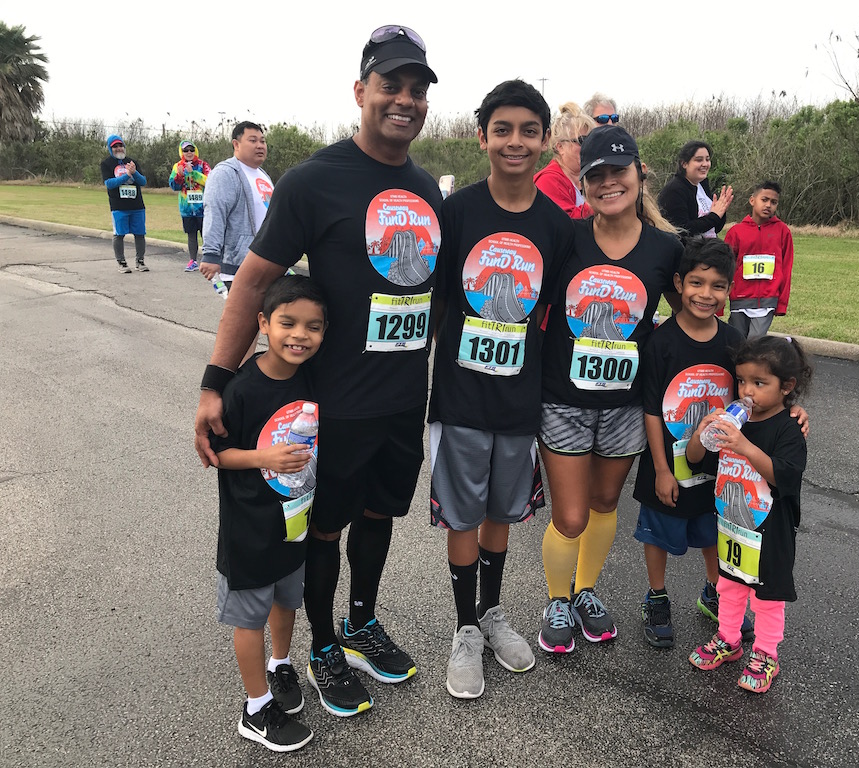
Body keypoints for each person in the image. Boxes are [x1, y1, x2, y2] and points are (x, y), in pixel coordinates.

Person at [194, 24, 441, 718]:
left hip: (401, 399)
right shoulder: (314, 181)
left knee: (380, 515)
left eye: (418, 90)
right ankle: (324, 643)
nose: (405, 100)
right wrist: (214, 383)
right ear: (360, 91)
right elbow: (251, 284)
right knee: (325, 527)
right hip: (334, 402)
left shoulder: (426, 188)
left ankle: (361, 624)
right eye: (391, 85)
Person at [431, 79, 572, 697]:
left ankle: (492, 612)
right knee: (463, 512)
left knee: (501, 512)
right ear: (482, 134)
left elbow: (562, 314)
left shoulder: (557, 225)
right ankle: (464, 627)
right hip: (461, 395)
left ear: (545, 140)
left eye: (529, 130)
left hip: (521, 398)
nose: (516, 142)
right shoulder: (456, 211)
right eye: (503, 129)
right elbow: (431, 305)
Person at [537, 124, 682, 653]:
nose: (607, 183)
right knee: (570, 515)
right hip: (564, 399)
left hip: (626, 405)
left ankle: (584, 592)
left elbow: (695, 325)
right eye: (595, 175)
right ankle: (557, 597)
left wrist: (762, 400)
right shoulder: (566, 239)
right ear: (583, 183)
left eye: (617, 172)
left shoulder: (666, 249)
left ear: (639, 175)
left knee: (602, 503)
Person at [211, 274, 327, 752]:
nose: (300, 335)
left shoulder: (311, 379)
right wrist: (266, 458)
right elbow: (218, 454)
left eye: (313, 326)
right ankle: (255, 707)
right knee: (250, 617)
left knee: (286, 601)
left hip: (293, 518)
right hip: (250, 529)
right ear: (263, 323)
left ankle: (281, 666)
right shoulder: (242, 389)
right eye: (288, 323)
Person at [631, 237, 748, 649]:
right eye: (697, 283)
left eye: (718, 286)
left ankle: (715, 592)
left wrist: (793, 413)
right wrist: (662, 469)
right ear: (679, 283)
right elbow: (650, 408)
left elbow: (751, 396)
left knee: (712, 531)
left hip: (716, 464)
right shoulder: (661, 342)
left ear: (729, 291)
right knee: (659, 530)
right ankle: (657, 596)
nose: (706, 294)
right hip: (667, 460)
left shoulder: (734, 342)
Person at [687, 335, 812, 694]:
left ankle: (765, 653)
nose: (747, 391)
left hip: (769, 530)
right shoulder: (733, 420)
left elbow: (784, 474)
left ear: (786, 387)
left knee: (767, 596)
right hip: (732, 525)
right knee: (729, 584)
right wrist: (703, 431)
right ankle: (728, 639)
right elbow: (697, 457)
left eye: (760, 383)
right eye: (742, 381)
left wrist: (744, 446)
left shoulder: (788, 428)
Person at [200, 122, 273, 290]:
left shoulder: (262, 175)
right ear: (236, 144)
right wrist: (211, 254)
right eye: (253, 141)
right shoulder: (225, 173)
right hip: (238, 267)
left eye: (262, 141)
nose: (260, 146)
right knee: (241, 316)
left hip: (265, 263)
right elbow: (215, 212)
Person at [725, 181, 794, 338]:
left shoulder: (783, 232)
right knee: (736, 342)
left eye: (774, 202)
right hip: (739, 299)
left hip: (767, 300)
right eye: (764, 200)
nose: (768, 205)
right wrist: (721, 302)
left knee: (754, 344)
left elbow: (786, 268)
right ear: (752, 200)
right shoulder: (736, 232)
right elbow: (725, 268)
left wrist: (782, 304)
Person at [657, 140, 733, 239]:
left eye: (707, 159)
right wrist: (714, 216)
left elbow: (713, 228)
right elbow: (682, 230)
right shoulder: (674, 191)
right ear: (684, 164)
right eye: (699, 160)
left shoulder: (702, 185)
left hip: (709, 249)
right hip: (687, 252)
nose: (705, 164)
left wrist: (721, 212)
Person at [533, 103, 596, 218]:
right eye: (581, 141)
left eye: (592, 140)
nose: (589, 146)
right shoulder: (548, 181)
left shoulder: (588, 175)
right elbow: (565, 224)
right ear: (560, 147)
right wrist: (599, 202)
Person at [100, 135, 148, 273]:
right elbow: (109, 183)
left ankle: (140, 261)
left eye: (120, 145)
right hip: (118, 206)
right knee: (119, 234)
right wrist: (127, 175)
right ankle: (122, 263)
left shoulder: (132, 162)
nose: (118, 148)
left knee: (140, 234)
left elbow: (143, 182)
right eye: (115, 146)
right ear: (110, 148)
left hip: (137, 205)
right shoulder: (106, 164)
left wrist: (134, 173)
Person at [169, 140, 211, 272]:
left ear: (195, 151)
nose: (189, 153)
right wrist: (180, 175)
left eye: (191, 150)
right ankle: (193, 260)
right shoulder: (177, 166)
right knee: (191, 235)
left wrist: (194, 173)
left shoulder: (203, 165)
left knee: (206, 235)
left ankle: (209, 260)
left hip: (203, 208)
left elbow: (210, 181)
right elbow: (173, 186)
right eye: (186, 150)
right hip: (187, 209)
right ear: (182, 152)